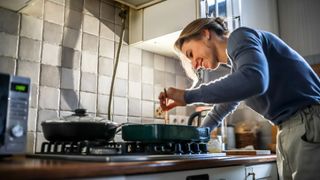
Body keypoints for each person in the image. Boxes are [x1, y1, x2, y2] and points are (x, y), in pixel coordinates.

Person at [158, 17, 320, 180]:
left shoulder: (240, 36)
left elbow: (254, 80)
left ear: (206, 34)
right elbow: (220, 110)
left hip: (308, 123)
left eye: (191, 54)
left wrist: (187, 96)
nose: (194, 65)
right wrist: (196, 137)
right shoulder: (240, 67)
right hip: (292, 129)